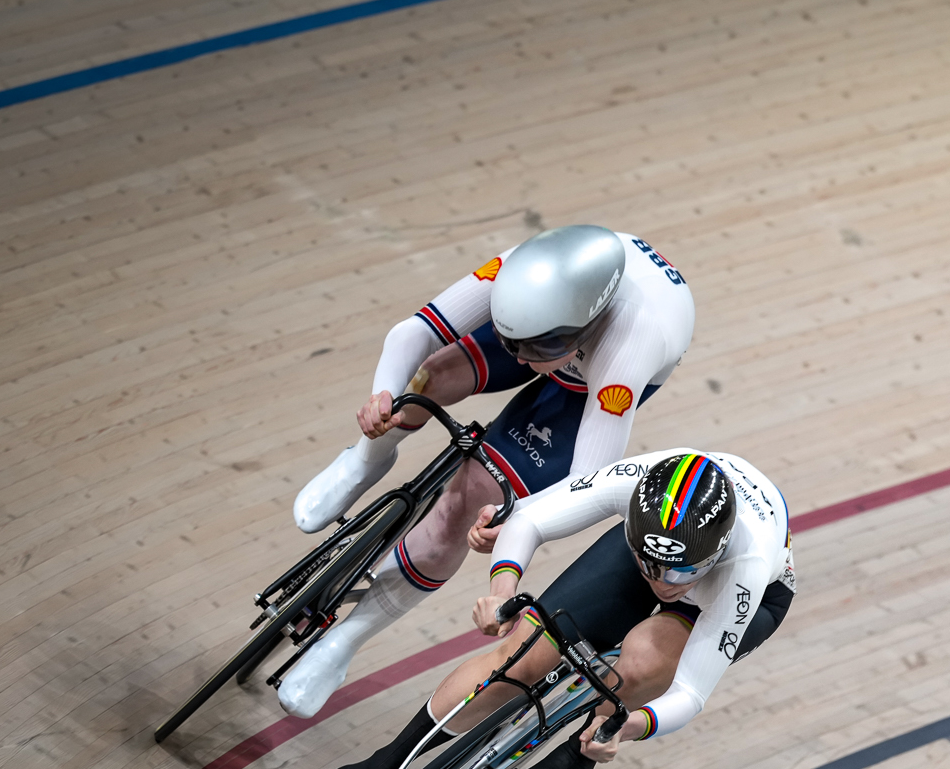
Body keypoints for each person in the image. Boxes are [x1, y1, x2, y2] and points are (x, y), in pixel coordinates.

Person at [279, 225, 694, 716]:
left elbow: (590, 482)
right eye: (514, 342)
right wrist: (384, 396)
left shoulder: (631, 343)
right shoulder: (524, 269)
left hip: (587, 385)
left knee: (462, 506)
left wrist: (514, 517)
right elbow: (413, 332)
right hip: (557, 334)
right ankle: (363, 460)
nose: (521, 359)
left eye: (535, 349)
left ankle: (343, 642)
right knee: (430, 375)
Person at [312, 450, 796, 769]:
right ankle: (386, 763)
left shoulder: (746, 567)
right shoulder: (635, 482)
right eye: (654, 565)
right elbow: (532, 520)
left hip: (733, 598)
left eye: (682, 570)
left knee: (640, 664)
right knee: (520, 654)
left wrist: (624, 730)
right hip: (660, 545)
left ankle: (586, 746)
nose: (665, 582)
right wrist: (502, 592)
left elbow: (691, 692)